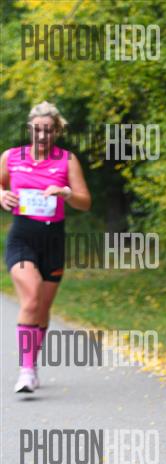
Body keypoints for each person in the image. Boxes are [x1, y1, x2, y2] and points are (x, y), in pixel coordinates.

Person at [0, 101, 91, 392]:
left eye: (48, 131)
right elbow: (0, 185)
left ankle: (32, 364)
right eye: (37, 130)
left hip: (53, 240)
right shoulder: (11, 157)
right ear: (29, 129)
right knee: (32, 297)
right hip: (22, 237)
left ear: (57, 132)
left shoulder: (67, 160)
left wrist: (65, 193)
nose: (42, 136)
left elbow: (85, 202)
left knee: (42, 308)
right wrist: (1, 195)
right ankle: (25, 371)